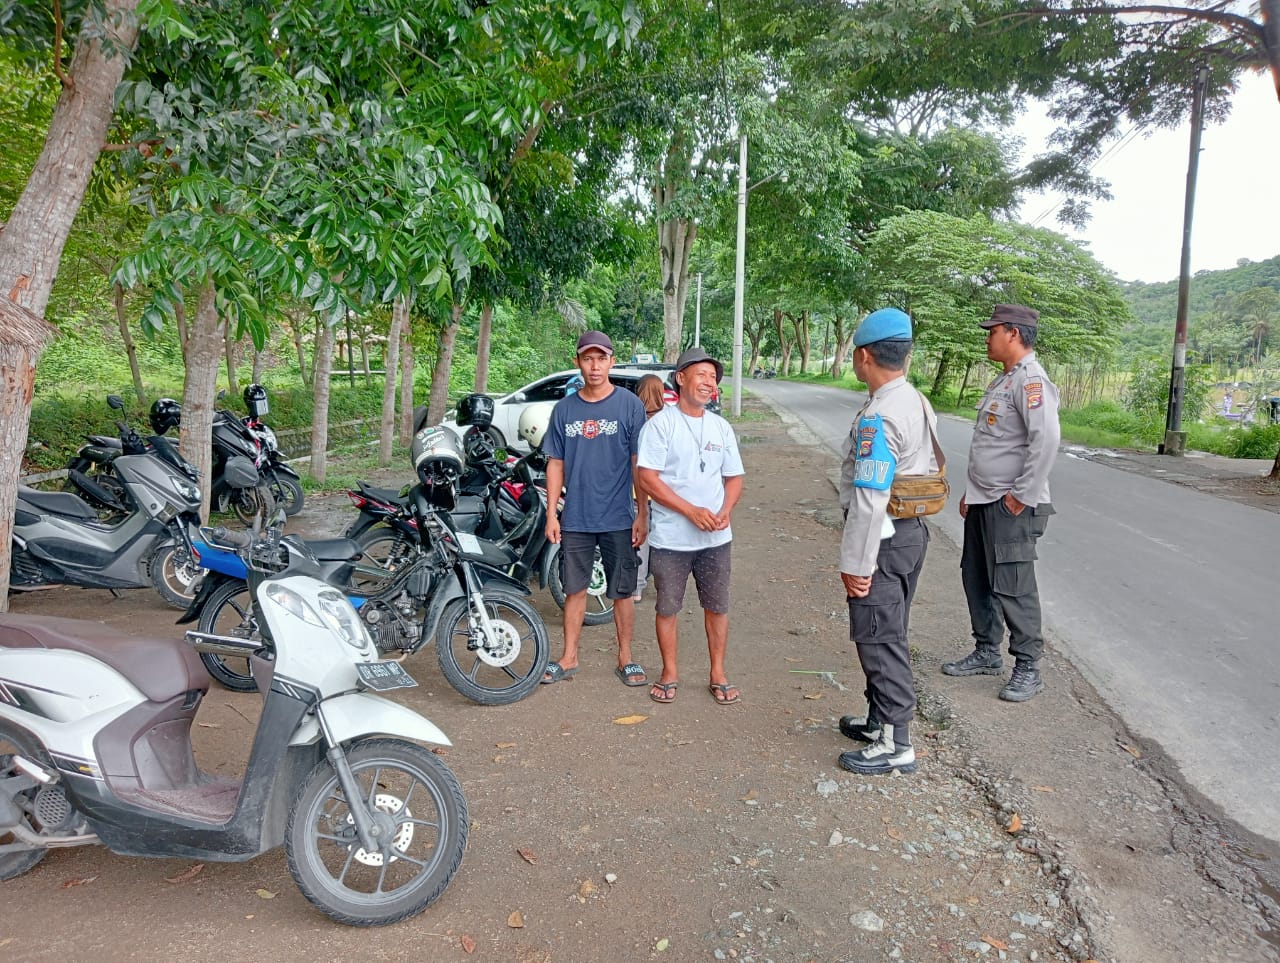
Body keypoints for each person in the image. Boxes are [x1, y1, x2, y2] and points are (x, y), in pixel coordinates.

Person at [835, 308, 937, 776]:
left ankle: (897, 744)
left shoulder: (880, 415)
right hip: (910, 534)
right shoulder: (912, 399)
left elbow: (871, 497)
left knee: (880, 637)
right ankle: (880, 720)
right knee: (887, 630)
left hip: (885, 539)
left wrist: (858, 563)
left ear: (863, 356)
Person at [942, 304, 1061, 702]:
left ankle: (1028, 666)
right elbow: (995, 445)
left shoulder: (1032, 382)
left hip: (1012, 505)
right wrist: (971, 492)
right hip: (985, 500)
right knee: (977, 577)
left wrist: (1020, 496)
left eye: (992, 331)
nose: (986, 337)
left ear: (1012, 333)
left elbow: (1045, 442)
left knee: (1013, 584)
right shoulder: (1004, 381)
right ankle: (986, 651)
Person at [636, 347, 745, 705]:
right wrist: (689, 510)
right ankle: (669, 672)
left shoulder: (720, 427)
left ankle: (718, 672)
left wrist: (726, 509)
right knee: (667, 607)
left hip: (716, 537)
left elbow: (734, 478)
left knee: (717, 605)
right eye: (701, 375)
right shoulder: (660, 425)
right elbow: (648, 479)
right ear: (681, 378)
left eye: (713, 378)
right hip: (671, 538)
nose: (708, 383)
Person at [541, 331, 649, 687]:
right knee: (575, 589)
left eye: (601, 358)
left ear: (611, 362)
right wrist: (552, 514)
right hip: (576, 517)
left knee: (622, 590)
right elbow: (554, 463)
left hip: (619, 516)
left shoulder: (629, 406)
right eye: (588, 359)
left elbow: (638, 463)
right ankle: (569, 656)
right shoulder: (565, 409)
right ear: (578, 362)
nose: (595, 365)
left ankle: (626, 658)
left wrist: (642, 512)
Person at [630, 374, 667, 603]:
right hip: (663, 492)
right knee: (662, 540)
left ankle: (636, 588)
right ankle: (665, 585)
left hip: (637, 491)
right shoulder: (669, 419)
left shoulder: (634, 418)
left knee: (639, 539)